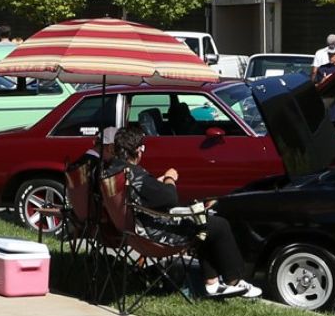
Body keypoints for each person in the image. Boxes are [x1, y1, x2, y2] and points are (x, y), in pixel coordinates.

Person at [107, 126, 261, 299]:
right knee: (218, 225)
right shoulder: (136, 174)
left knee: (203, 222)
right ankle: (234, 280)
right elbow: (170, 198)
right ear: (137, 150)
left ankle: (213, 283)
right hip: (153, 236)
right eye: (143, 148)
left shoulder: (113, 170)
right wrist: (170, 178)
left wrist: (157, 183)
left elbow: (141, 192)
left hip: (131, 232)